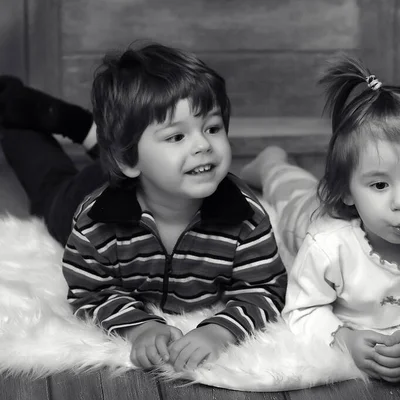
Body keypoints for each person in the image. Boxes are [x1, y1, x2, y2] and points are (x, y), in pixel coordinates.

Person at [0, 44, 287, 372]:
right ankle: (15, 115)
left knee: (143, 157)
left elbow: (264, 288)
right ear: (128, 161)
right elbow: (91, 292)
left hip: (139, 172)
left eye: (212, 128)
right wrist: (140, 327)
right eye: (177, 136)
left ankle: (87, 130)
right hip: (84, 195)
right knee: (49, 185)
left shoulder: (245, 217)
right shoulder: (95, 222)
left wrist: (220, 329)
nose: (203, 145)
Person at [240, 56, 400, 383]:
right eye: (380, 185)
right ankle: (272, 163)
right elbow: (302, 311)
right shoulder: (326, 245)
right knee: (292, 194)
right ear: (345, 191)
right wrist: (344, 339)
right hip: (305, 219)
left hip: (345, 200)